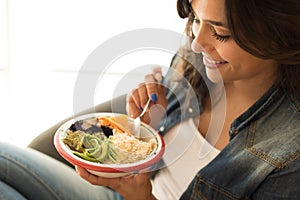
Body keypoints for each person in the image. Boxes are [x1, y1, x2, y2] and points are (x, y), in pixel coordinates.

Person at [1, 0, 299, 199]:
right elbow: (154, 143)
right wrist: (151, 121)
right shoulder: (199, 59)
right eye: (196, 19)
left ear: (279, 34)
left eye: (220, 33)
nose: (197, 41)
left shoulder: (290, 154)